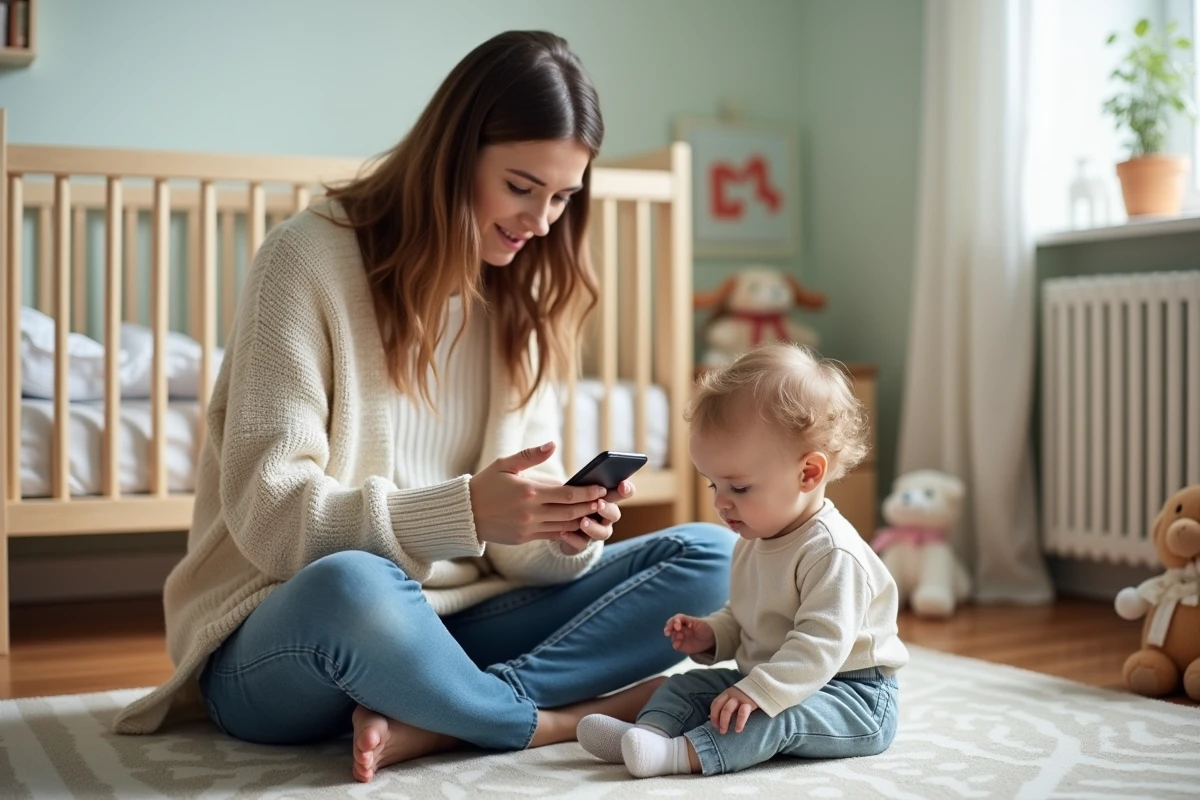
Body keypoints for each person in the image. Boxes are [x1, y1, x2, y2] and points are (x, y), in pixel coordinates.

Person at [111, 30, 733, 783]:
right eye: (521, 186)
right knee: (356, 585)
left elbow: (514, 558)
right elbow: (274, 521)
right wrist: (466, 511)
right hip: (290, 636)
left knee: (713, 559)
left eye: (563, 197)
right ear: (454, 155)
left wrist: (560, 532)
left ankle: (440, 714)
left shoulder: (520, 299)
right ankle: (539, 721)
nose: (541, 222)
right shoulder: (303, 260)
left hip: (456, 627)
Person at [576, 342, 908, 777]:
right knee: (689, 687)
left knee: (770, 717)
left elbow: (820, 646)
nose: (722, 504)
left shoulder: (832, 552)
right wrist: (714, 634)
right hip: (774, 678)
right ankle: (649, 734)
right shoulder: (755, 536)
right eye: (713, 485)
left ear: (808, 473)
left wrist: (760, 691)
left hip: (850, 697)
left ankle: (678, 757)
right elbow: (748, 614)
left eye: (740, 488)